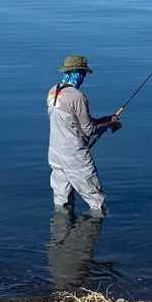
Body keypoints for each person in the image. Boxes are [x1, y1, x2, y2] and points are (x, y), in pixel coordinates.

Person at [47, 55, 121, 215]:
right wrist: (108, 124)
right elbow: (88, 130)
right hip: (75, 157)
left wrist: (104, 120)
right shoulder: (77, 97)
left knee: (61, 202)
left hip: (55, 154)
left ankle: (59, 238)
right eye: (83, 74)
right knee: (97, 202)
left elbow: (72, 122)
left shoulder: (52, 92)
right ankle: (90, 234)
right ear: (77, 73)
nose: (84, 78)